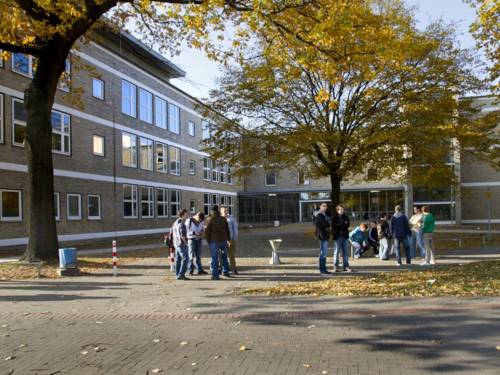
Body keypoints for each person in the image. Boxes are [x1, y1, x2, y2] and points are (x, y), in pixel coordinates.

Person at [205, 205, 231, 280]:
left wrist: (208, 240)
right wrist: (228, 239)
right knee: (224, 257)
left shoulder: (210, 219)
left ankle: (215, 275)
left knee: (214, 258)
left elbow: (207, 231)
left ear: (212, 211)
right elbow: (227, 230)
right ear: (218, 211)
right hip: (223, 240)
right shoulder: (223, 219)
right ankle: (226, 272)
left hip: (214, 241)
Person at [331, 205, 352, 272]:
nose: (342, 210)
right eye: (340, 209)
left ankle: (346, 266)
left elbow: (347, 225)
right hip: (337, 237)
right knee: (336, 252)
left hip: (345, 236)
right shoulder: (334, 217)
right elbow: (333, 226)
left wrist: (340, 225)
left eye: (343, 209)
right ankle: (335, 266)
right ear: (337, 210)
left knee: (345, 252)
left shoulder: (346, 217)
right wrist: (342, 225)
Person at [221, 206, 239, 274]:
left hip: (230, 239)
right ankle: (224, 269)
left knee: (231, 255)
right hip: (221, 240)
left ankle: (233, 268)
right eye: (224, 211)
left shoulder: (231, 218)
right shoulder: (219, 219)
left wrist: (234, 238)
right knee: (222, 255)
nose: (225, 212)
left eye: (226, 211)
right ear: (221, 212)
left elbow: (235, 229)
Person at [314, 202, 331, 274]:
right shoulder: (320, 215)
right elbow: (326, 224)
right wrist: (328, 223)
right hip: (322, 236)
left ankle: (323, 268)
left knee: (323, 253)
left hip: (323, 235)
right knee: (323, 253)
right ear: (320, 207)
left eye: (326, 206)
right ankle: (322, 269)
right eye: (323, 206)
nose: (325, 207)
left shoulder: (323, 215)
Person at [173, 209, 190, 280]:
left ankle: (177, 274)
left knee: (178, 259)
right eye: (186, 215)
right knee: (186, 259)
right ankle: (181, 274)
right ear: (182, 215)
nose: (187, 216)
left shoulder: (175, 222)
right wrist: (186, 244)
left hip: (176, 243)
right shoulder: (182, 224)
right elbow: (183, 236)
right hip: (181, 244)